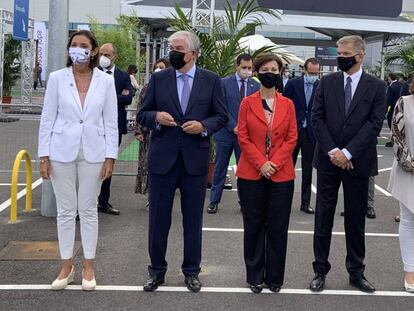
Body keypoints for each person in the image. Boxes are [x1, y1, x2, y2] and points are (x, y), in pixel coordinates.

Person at [136, 31, 228, 293]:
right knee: (158, 219)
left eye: (178, 49)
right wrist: (156, 117)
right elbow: (142, 113)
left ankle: (191, 271)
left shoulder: (210, 80)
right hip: (163, 160)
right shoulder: (159, 78)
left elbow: (221, 116)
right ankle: (156, 271)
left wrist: (203, 126)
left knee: (192, 221)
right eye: (171, 48)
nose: (172, 52)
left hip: (194, 162)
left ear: (194, 54)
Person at [38, 30, 118, 291]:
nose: (78, 49)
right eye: (74, 45)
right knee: (65, 211)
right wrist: (44, 155)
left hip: (93, 153)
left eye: (84, 46)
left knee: (88, 210)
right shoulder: (56, 78)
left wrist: (110, 156)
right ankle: (66, 265)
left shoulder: (105, 82)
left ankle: (88, 267)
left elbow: (111, 121)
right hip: (61, 151)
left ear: (93, 51)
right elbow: (47, 118)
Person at [310, 35, 386, 293]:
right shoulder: (327, 82)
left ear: (360, 55)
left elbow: (374, 124)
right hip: (329, 160)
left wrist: (348, 153)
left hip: (358, 163)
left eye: (345, 54)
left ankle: (356, 271)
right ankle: (320, 270)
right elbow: (317, 118)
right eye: (339, 54)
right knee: (323, 218)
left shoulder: (376, 86)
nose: (340, 57)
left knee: (355, 220)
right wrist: (334, 151)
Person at [237, 54, 297, 293]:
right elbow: (243, 136)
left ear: (280, 73)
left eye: (274, 69)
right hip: (251, 172)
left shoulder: (288, 104)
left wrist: (274, 163)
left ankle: (275, 277)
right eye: (265, 69)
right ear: (257, 73)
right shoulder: (247, 103)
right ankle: (254, 275)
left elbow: (292, 137)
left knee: (278, 227)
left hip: (281, 174)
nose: (270, 72)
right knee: (253, 225)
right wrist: (261, 163)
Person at [207, 53, 260, 214]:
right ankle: (214, 201)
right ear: (237, 66)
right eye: (244, 67)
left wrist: (244, 128)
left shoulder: (255, 86)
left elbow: (256, 109)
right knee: (220, 167)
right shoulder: (224, 83)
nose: (247, 70)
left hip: (246, 135)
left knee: (244, 169)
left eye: (249, 68)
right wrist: (233, 126)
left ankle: (244, 201)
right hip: (225, 133)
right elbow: (221, 108)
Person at [97, 43, 134, 215]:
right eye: (101, 53)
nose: (103, 57)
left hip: (114, 127)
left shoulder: (122, 76)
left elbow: (128, 98)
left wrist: (104, 97)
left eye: (107, 54)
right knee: (87, 164)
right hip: (93, 127)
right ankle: (83, 204)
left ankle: (103, 202)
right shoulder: (92, 73)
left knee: (108, 164)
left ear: (114, 56)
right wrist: (117, 97)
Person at [283, 57, 320, 214]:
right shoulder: (293, 84)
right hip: (293, 130)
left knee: (307, 169)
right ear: (304, 70)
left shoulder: (320, 85)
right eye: (311, 72)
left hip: (311, 133)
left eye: (316, 73)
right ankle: (284, 200)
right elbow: (285, 105)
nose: (313, 75)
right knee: (287, 167)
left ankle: (305, 203)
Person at [387, 89, 414, 293]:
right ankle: (410, 272)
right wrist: (409, 163)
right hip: (409, 170)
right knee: (408, 221)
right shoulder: (404, 103)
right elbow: (396, 135)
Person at [134, 58, 170, 204]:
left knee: (162, 165)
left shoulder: (170, 87)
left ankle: (160, 195)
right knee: (146, 164)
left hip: (164, 133)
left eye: (162, 67)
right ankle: (150, 195)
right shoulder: (147, 87)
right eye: (156, 67)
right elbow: (140, 109)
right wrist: (138, 131)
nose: (158, 70)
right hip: (147, 132)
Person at [385, 73, 403, 147]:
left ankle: (392, 140)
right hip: (401, 107)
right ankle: (399, 140)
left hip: (393, 108)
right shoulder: (400, 85)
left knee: (391, 123)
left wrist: (385, 109)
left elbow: (388, 100)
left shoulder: (391, 87)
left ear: (390, 78)